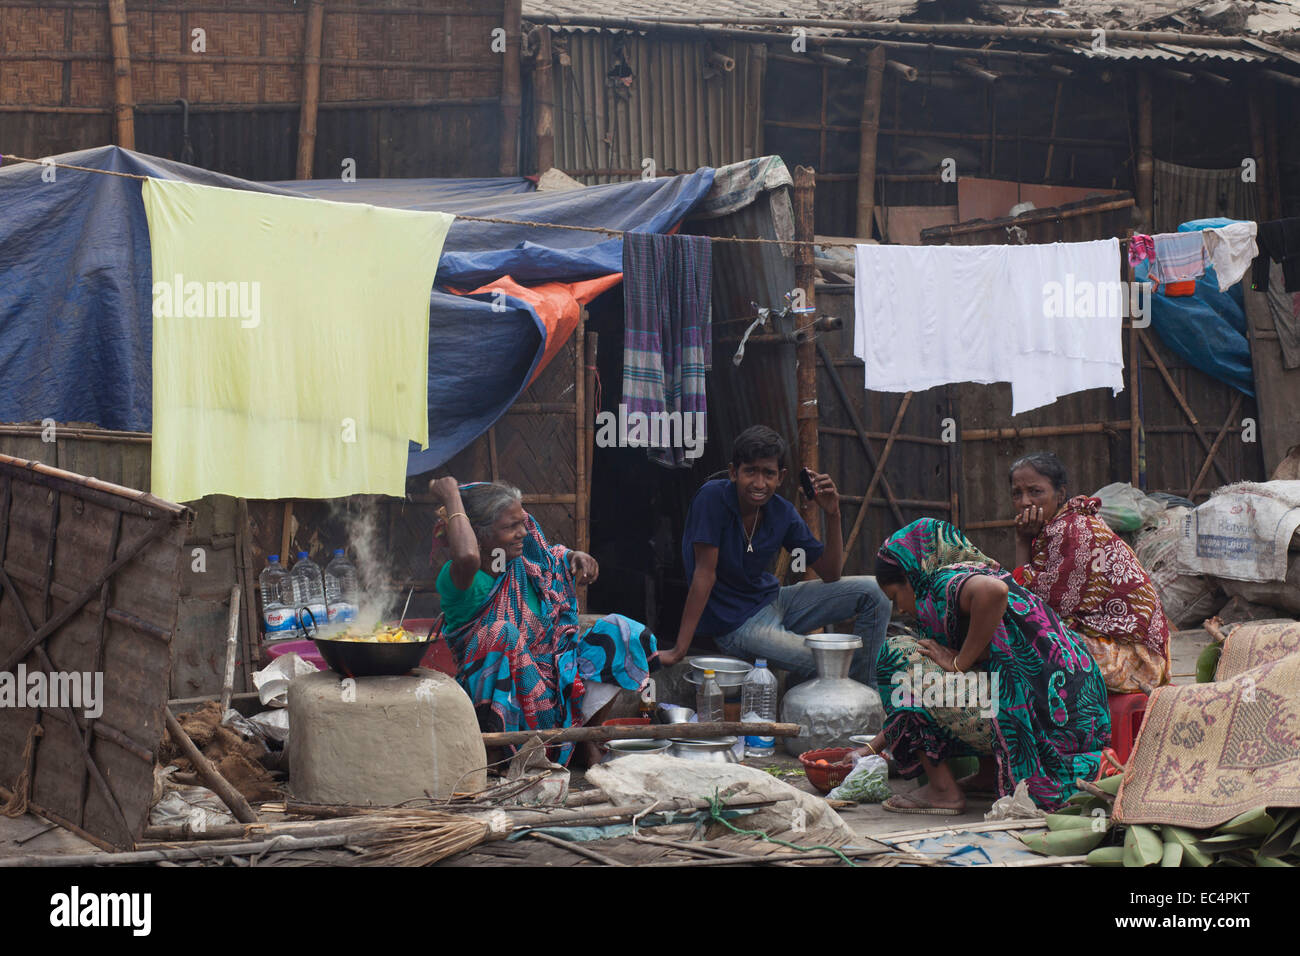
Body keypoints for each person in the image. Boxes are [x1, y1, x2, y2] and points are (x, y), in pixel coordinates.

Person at [842, 518, 1112, 814]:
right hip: (1072, 724)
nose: (902, 609)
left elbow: (993, 593)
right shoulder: (981, 571)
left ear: (911, 574)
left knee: (896, 656)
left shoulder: (943, 582)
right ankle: (988, 776)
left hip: (1041, 721)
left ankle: (942, 791)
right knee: (968, 669)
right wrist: (871, 748)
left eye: (896, 597)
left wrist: (959, 660)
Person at [429, 477, 658, 766]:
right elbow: (466, 556)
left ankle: (583, 737)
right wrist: (450, 493)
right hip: (507, 711)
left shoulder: (525, 565)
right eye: (510, 527)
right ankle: (499, 753)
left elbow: (552, 558)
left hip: (556, 700)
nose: (522, 532)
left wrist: (576, 556)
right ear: (479, 535)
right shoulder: (463, 579)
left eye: (522, 522)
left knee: (621, 632)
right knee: (503, 634)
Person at [662, 425, 891, 687]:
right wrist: (680, 649)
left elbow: (831, 573)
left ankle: (866, 693)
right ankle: (831, 685)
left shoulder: (782, 513)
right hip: (737, 626)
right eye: (750, 471)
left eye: (768, 473)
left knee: (875, 592)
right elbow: (704, 573)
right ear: (733, 472)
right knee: (827, 663)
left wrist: (833, 514)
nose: (759, 483)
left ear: (780, 477)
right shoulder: (712, 499)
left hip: (776, 601)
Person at [1009, 451, 1172, 694]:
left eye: (1035, 492)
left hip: (1136, 659)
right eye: (1017, 494)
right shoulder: (1055, 529)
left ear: (1060, 494)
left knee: (1024, 643)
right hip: (1113, 644)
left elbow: (1030, 606)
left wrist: (1021, 541)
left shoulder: (1073, 531)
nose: (1025, 502)